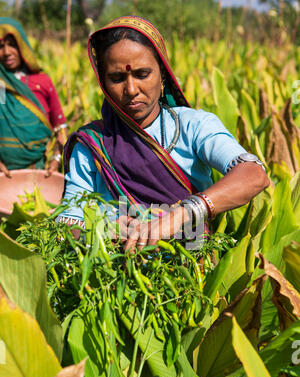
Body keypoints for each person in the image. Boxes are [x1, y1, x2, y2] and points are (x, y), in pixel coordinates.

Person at [58, 16, 269, 251]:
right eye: (117, 78)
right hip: (112, 275)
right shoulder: (92, 144)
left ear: (163, 74)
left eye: (142, 74)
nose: (131, 90)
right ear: (103, 82)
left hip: (192, 273)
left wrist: (182, 214)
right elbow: (67, 223)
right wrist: (103, 228)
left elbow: (254, 174)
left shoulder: (193, 126)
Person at [0, 17, 67, 177]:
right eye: (1, 46)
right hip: (4, 174)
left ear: (23, 46)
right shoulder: (1, 84)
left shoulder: (42, 81)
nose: (7, 52)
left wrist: (56, 159)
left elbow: (61, 128)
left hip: (40, 170)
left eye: (13, 45)